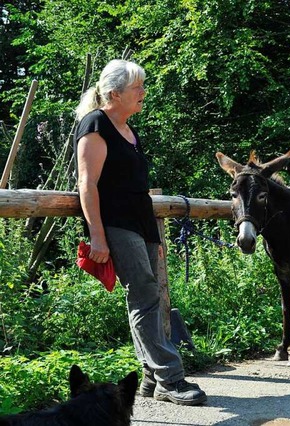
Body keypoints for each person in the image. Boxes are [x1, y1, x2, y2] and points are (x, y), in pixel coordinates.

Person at [75, 59, 207, 406]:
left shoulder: (131, 132)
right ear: (115, 93)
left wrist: (155, 238)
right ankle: (170, 378)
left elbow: (138, 188)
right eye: (138, 87)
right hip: (115, 224)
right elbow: (87, 185)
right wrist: (98, 236)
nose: (143, 93)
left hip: (141, 224)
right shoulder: (95, 124)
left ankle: (150, 378)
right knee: (145, 294)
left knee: (152, 294)